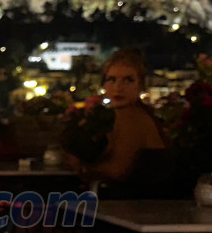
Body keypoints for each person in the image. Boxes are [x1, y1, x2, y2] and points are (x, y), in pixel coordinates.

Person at [69, 49, 169, 197]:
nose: (118, 87)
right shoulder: (129, 114)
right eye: (112, 79)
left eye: (128, 80)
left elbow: (117, 170)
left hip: (141, 204)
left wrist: (82, 167)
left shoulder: (132, 116)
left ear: (141, 85)